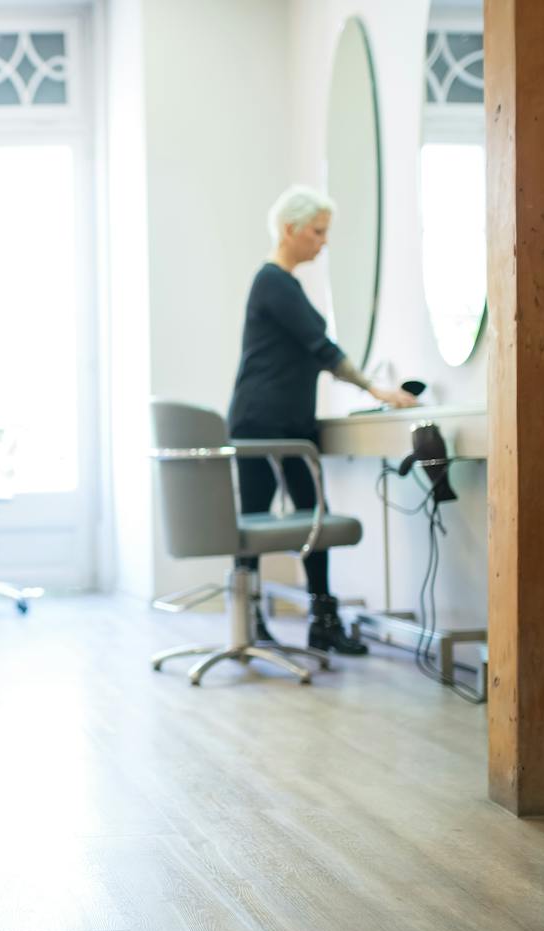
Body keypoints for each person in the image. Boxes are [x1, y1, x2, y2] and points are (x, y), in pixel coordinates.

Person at [228, 185, 417, 655]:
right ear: (289, 229)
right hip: (261, 423)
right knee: (258, 519)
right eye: (317, 232)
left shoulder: (281, 284)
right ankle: (250, 622)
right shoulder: (273, 281)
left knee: (313, 516)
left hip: (288, 423)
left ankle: (321, 620)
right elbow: (322, 347)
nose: (323, 241)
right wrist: (375, 389)